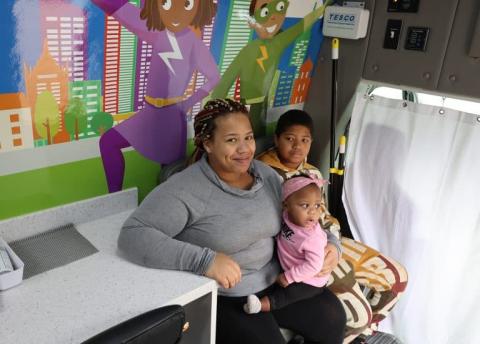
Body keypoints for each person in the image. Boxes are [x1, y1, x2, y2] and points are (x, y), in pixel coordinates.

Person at [118, 99, 346, 344]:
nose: (245, 149)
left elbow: (299, 216)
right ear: (208, 143)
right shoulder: (185, 188)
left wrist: (332, 244)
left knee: (334, 319)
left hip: (278, 279)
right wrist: (205, 260)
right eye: (231, 140)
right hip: (228, 295)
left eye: (248, 138)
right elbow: (133, 234)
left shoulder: (266, 175)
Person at [257, 109, 408, 343]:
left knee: (396, 280)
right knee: (359, 317)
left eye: (304, 140)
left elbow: (325, 218)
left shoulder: (312, 172)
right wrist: (323, 253)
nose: (297, 147)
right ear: (277, 139)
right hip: (303, 253)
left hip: (328, 240)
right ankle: (353, 334)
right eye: (289, 139)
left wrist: (334, 245)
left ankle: (359, 334)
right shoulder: (263, 174)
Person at [92, 0, 220, 193]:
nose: (175, 13)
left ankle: (168, 210)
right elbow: (122, 10)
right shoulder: (158, 32)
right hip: (150, 113)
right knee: (108, 142)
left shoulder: (195, 45)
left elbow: (214, 77)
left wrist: (187, 103)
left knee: (170, 173)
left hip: (172, 118)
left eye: (186, 4)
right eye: (167, 3)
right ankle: (115, 198)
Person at [211, 0, 332, 137]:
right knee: (248, 134)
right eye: (265, 12)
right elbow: (227, 79)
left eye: (280, 8)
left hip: (263, 100)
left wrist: (323, 7)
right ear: (252, 21)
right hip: (249, 103)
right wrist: (210, 112)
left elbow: (301, 26)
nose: (273, 17)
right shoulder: (249, 49)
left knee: (257, 135)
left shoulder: (278, 42)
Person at [244, 173, 331, 315]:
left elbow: (314, 266)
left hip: (310, 279)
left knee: (289, 294)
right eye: (305, 205)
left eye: (317, 205)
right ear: (286, 205)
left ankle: (261, 305)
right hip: (290, 264)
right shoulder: (286, 217)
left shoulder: (311, 238)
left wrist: (289, 277)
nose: (313, 212)